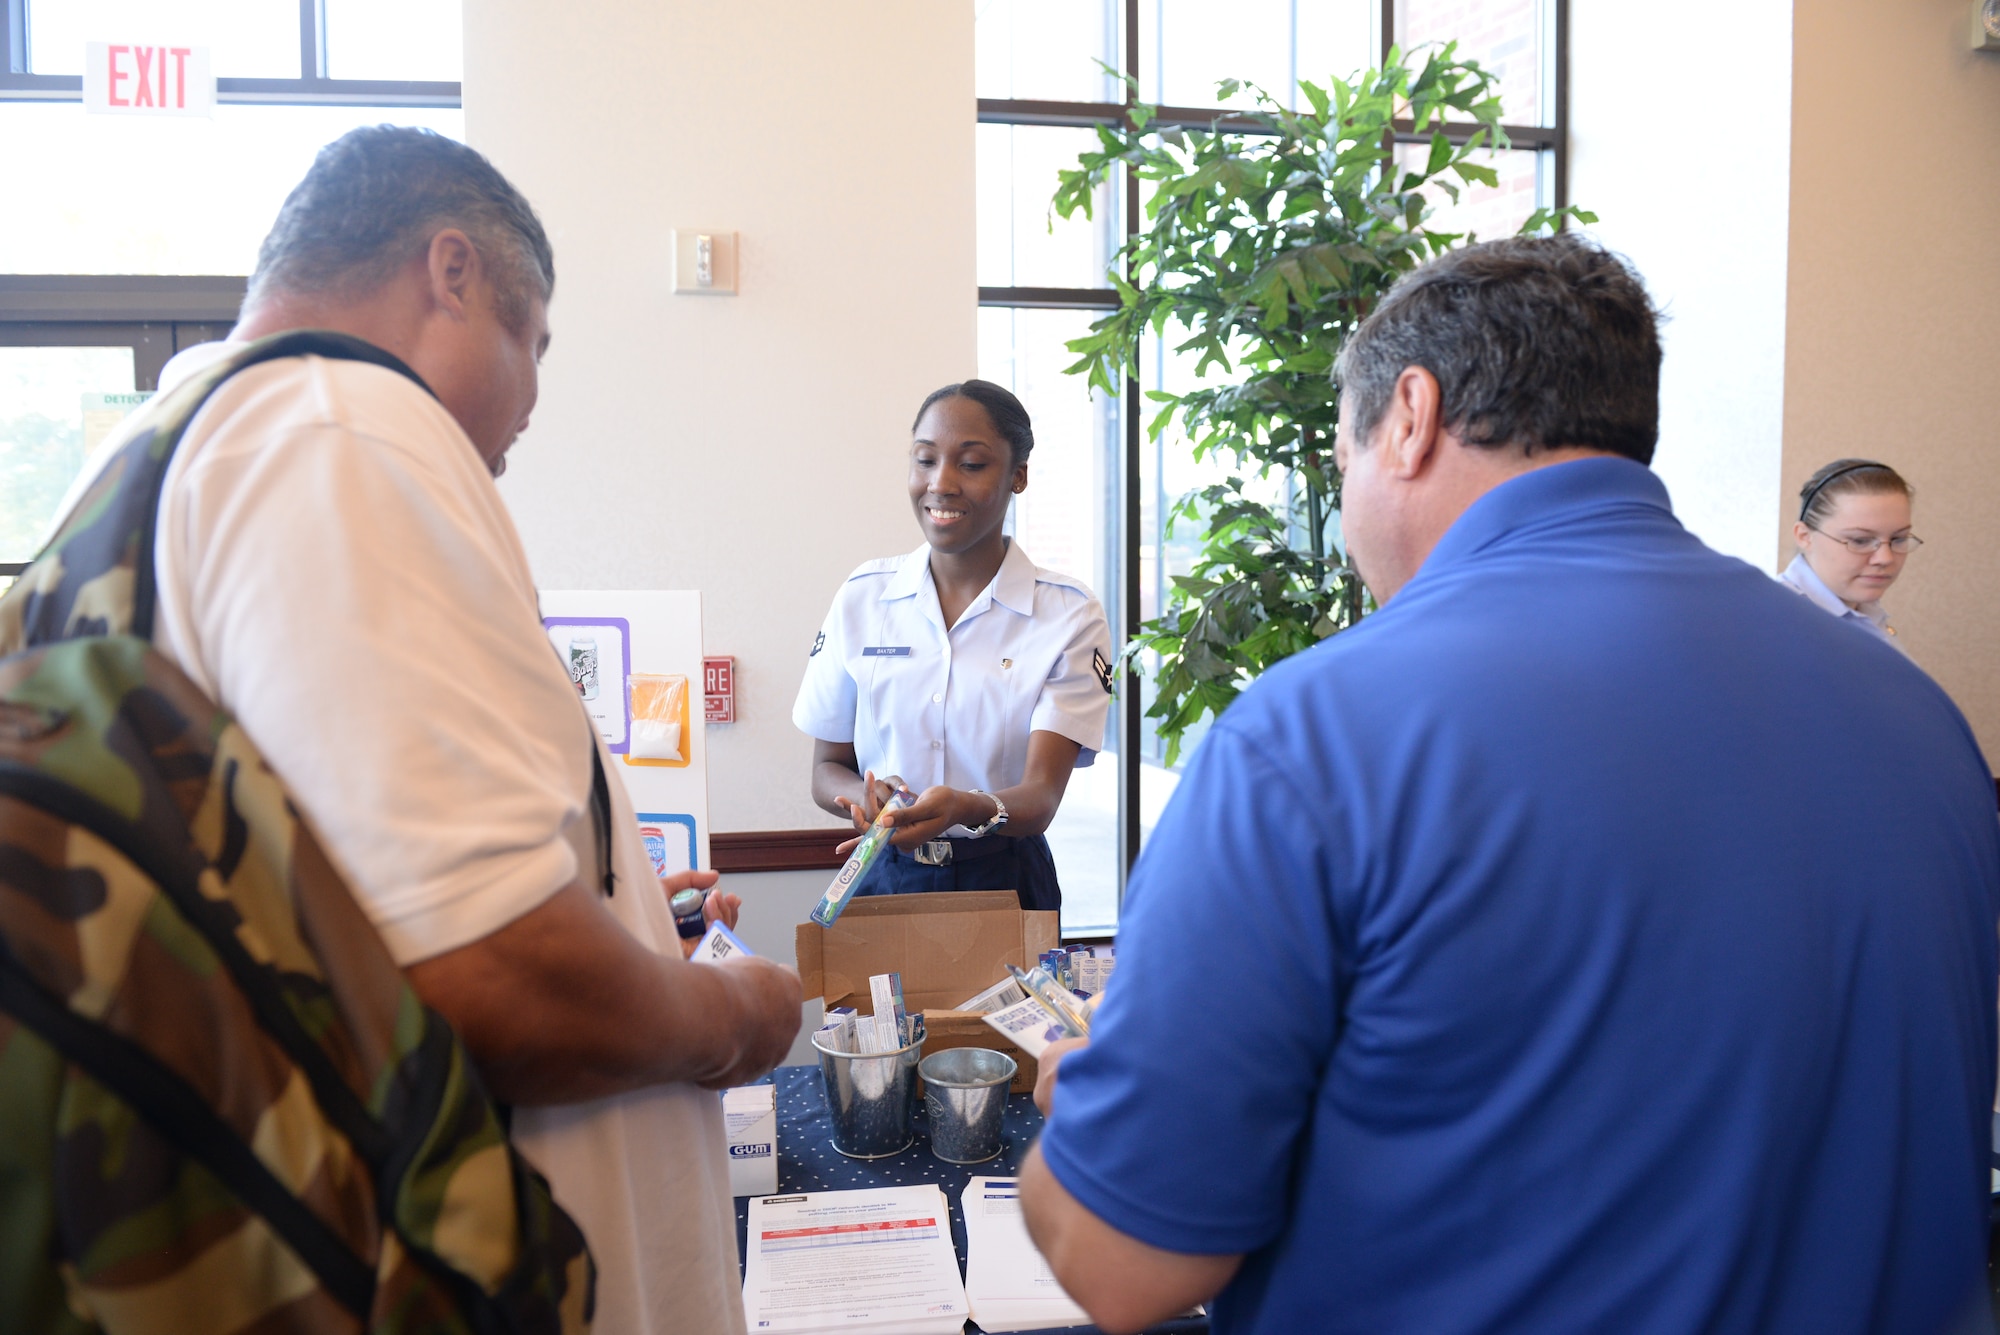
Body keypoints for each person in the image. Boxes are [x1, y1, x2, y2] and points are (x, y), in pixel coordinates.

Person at [1018, 234, 2000, 1334]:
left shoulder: (1316, 736)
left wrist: (1089, 1116)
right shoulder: (1918, 718)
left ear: (1408, 415)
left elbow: (1122, 1270)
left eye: (1336, 457)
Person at [55, 126, 801, 1335]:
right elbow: (490, 983)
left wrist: (616, 918)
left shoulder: (142, 465)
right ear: (450, 272)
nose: (529, 413)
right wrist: (736, 1018)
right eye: (534, 344)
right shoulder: (338, 429)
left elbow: (334, 906)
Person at [791, 380, 1113, 912]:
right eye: (925, 459)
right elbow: (827, 769)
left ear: (1018, 476)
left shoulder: (1067, 613)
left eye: (971, 464)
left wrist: (965, 806)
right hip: (882, 875)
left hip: (1004, 879)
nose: (940, 483)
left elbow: (1040, 798)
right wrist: (866, 799)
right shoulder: (863, 598)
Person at [1780, 458, 1920, 644]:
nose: (1885, 558)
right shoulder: (1777, 624)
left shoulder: (1869, 614)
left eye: (1899, 539)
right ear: (1805, 536)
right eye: (1860, 540)